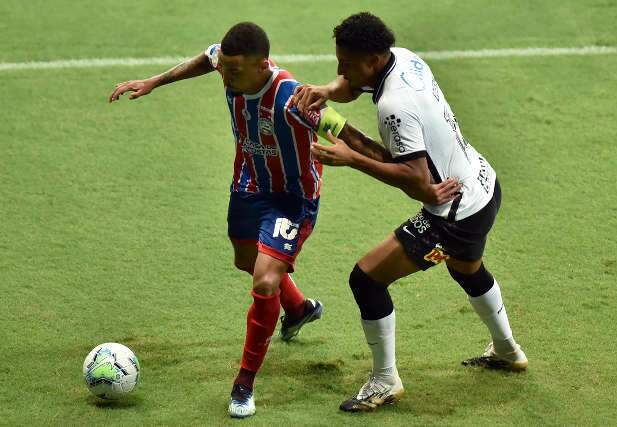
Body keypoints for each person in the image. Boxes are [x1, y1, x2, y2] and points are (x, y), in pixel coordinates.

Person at [293, 12, 528, 412]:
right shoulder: (403, 57)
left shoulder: (393, 106)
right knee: (466, 267)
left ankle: (385, 381)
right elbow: (355, 87)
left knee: (366, 279)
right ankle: (507, 350)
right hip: (484, 186)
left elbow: (416, 182)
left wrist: (352, 158)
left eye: (345, 65)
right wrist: (329, 90)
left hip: (453, 215)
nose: (339, 71)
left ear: (371, 60)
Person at [109, 22, 342, 418]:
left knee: (266, 280)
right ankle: (300, 309)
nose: (227, 77)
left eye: (235, 72)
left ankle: (243, 385)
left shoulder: (293, 98)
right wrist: (153, 81)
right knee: (246, 261)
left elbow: (343, 129)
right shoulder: (227, 65)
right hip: (248, 185)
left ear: (263, 65)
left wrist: (396, 165)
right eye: (226, 70)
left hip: (292, 199)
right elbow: (209, 56)